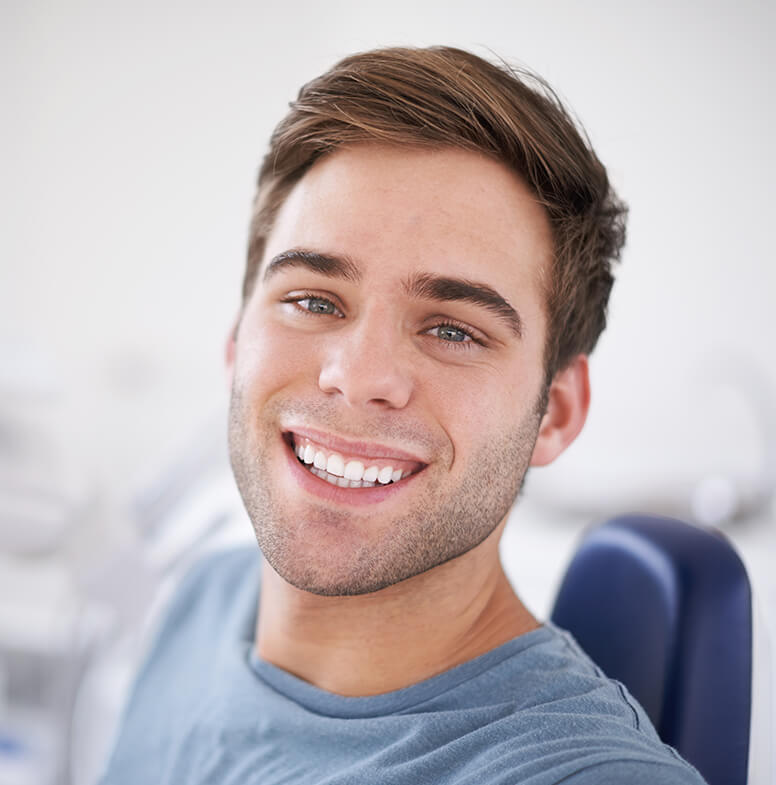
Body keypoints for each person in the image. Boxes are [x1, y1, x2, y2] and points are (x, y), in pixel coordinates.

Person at [100, 46, 707, 784]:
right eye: (313, 300)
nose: (356, 377)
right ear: (236, 340)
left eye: (453, 329)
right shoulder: (206, 598)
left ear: (556, 412)